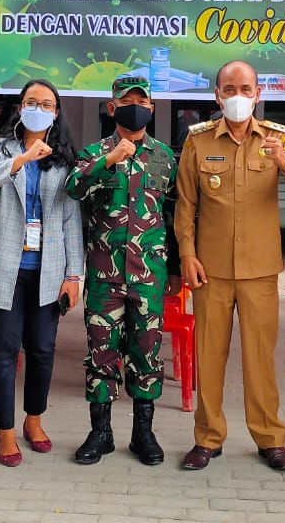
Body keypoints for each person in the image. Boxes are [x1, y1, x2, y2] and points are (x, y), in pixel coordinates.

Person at [175, 59, 285, 471]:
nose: (238, 96)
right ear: (217, 95)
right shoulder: (198, 142)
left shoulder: (276, 138)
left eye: (246, 89)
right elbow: (185, 204)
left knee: (259, 359)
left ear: (258, 94)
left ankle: (270, 439)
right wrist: (186, 253)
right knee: (209, 357)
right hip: (210, 269)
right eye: (229, 89)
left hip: (259, 270)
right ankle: (208, 438)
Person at [0, 78, 83, 467]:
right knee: (3, 351)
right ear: (20, 107)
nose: (39, 108)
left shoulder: (65, 158)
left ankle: (34, 420)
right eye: (32, 102)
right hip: (4, 268)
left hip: (48, 270)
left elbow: (71, 219)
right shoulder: (2, 148)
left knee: (43, 350)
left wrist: (74, 274)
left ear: (56, 112)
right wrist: (21, 159)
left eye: (47, 104)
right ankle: (6, 431)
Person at [67, 75, 176, 466]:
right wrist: (107, 162)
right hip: (104, 274)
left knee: (147, 352)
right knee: (101, 352)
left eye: (141, 100)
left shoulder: (165, 157)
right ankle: (101, 432)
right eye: (125, 100)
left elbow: (176, 214)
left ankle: (143, 434)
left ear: (152, 108)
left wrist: (176, 270)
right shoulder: (93, 153)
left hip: (149, 274)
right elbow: (73, 188)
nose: (135, 106)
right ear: (112, 108)